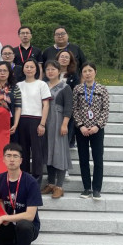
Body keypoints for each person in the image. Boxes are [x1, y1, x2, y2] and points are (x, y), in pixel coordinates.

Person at [72, 62, 110, 200]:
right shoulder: (77, 89)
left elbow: (105, 110)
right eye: (85, 71)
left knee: (98, 159)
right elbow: (74, 109)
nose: (87, 73)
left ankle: (97, 189)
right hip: (81, 130)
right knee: (83, 159)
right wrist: (81, 125)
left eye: (90, 70)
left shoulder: (102, 89)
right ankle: (87, 188)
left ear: (95, 72)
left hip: (97, 129)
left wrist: (97, 126)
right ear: (81, 73)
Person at [40, 60, 73, 199]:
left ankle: (59, 186)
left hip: (59, 121)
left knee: (59, 153)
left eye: (53, 69)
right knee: (48, 152)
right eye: (48, 69)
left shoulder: (65, 87)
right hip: (45, 122)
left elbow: (68, 107)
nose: (50, 71)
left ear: (59, 71)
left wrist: (64, 124)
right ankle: (51, 183)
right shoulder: (43, 86)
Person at [16, 58, 51, 182]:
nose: (29, 69)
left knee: (37, 152)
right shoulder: (18, 85)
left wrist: (42, 124)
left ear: (36, 69)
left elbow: (46, 105)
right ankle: (24, 179)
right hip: (21, 120)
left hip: (36, 120)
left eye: (32, 67)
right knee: (23, 152)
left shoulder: (42, 84)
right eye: (27, 67)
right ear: (23, 69)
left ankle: (36, 181)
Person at [57, 49, 80, 148]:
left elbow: (75, 92)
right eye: (62, 56)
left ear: (70, 61)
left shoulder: (74, 76)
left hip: (67, 108)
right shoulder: (51, 73)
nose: (64, 59)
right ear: (57, 59)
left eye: (67, 57)